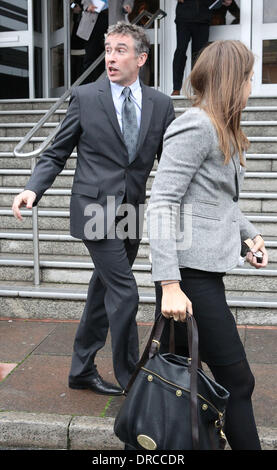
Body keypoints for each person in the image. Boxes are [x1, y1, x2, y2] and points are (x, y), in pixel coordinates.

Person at [12, 22, 175, 396]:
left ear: (141, 58)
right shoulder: (85, 97)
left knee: (102, 294)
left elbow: (171, 164)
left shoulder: (161, 104)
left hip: (132, 212)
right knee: (126, 292)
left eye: (120, 50)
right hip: (94, 210)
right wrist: (32, 189)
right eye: (107, 50)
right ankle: (132, 379)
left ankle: (81, 370)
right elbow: (56, 151)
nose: (111, 57)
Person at [147, 40, 267, 450]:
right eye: (249, 77)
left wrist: (248, 234)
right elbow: (162, 201)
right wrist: (168, 283)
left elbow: (218, 200)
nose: (253, 85)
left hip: (201, 274)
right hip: (188, 280)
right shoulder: (195, 125)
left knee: (176, 376)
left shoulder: (222, 128)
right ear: (234, 81)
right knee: (238, 381)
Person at [171, 0, 233, 96]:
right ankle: (176, 88)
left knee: (200, 56)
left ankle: (198, 88)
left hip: (203, 19)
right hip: (184, 17)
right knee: (180, 51)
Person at [77, 1, 134, 83]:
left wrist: (127, 4)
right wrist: (88, 4)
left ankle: (111, 87)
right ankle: (88, 89)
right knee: (91, 56)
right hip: (93, 17)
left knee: (113, 57)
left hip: (114, 18)